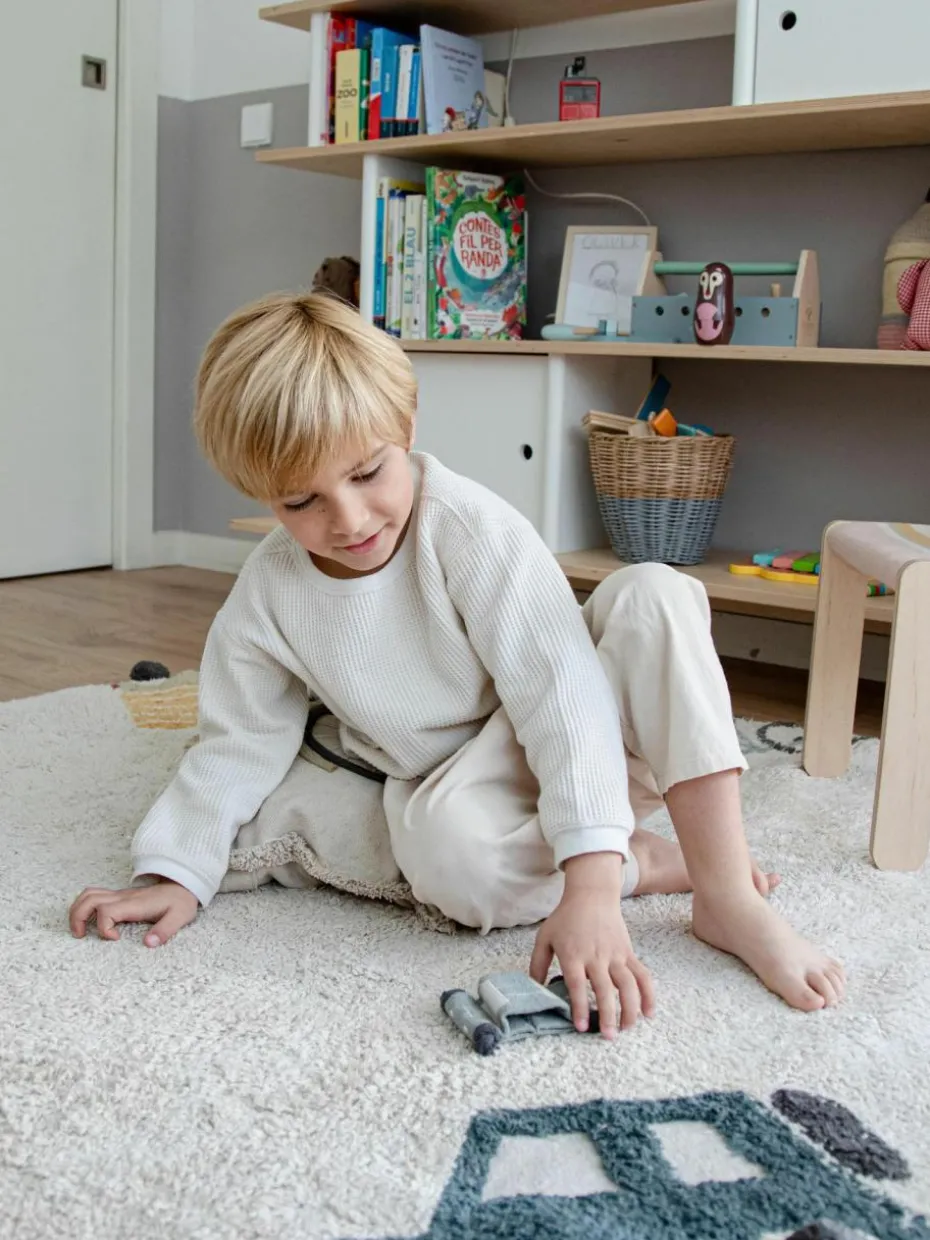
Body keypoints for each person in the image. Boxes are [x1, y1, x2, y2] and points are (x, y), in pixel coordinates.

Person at [68, 292, 846, 1036]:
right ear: (260, 492)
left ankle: (723, 891)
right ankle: (635, 857)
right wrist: (176, 872)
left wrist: (589, 889)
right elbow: (237, 741)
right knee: (444, 863)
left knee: (656, 594)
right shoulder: (269, 593)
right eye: (301, 502)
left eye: (367, 474)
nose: (349, 519)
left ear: (406, 424)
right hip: (466, 781)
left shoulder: (470, 530)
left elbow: (559, 692)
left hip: (589, 726)